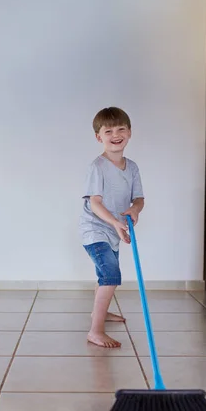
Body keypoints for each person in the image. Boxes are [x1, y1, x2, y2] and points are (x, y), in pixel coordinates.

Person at [79, 107, 144, 348]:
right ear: (99, 137)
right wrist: (115, 222)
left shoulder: (133, 167)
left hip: (115, 230)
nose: (115, 134)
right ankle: (95, 331)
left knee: (104, 275)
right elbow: (94, 203)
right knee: (110, 275)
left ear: (129, 133)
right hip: (95, 230)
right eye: (109, 131)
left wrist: (135, 210)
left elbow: (139, 198)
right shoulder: (97, 167)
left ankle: (102, 312)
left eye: (121, 129)